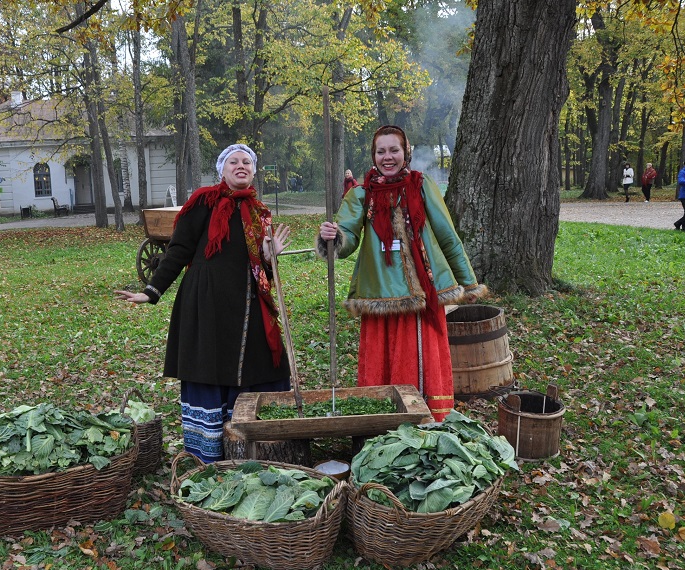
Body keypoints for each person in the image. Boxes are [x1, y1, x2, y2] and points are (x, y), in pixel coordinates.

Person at [115, 143, 292, 463]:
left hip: (249, 309)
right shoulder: (204, 202)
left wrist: (269, 257)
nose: (241, 166)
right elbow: (178, 250)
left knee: (264, 366)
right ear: (222, 170)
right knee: (211, 368)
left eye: (247, 163)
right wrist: (151, 290)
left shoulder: (259, 211)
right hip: (207, 303)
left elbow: (261, 268)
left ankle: (254, 446)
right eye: (234, 162)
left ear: (253, 172)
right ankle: (208, 455)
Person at [317, 125, 486, 422]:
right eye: (381, 151)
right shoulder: (361, 195)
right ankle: (380, 421)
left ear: (405, 152)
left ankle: (425, 420)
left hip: (422, 292)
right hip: (378, 292)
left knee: (419, 358)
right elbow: (347, 242)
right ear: (373, 155)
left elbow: (447, 236)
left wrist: (468, 282)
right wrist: (333, 236)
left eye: (393, 150)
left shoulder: (422, 186)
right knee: (382, 361)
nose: (388, 157)